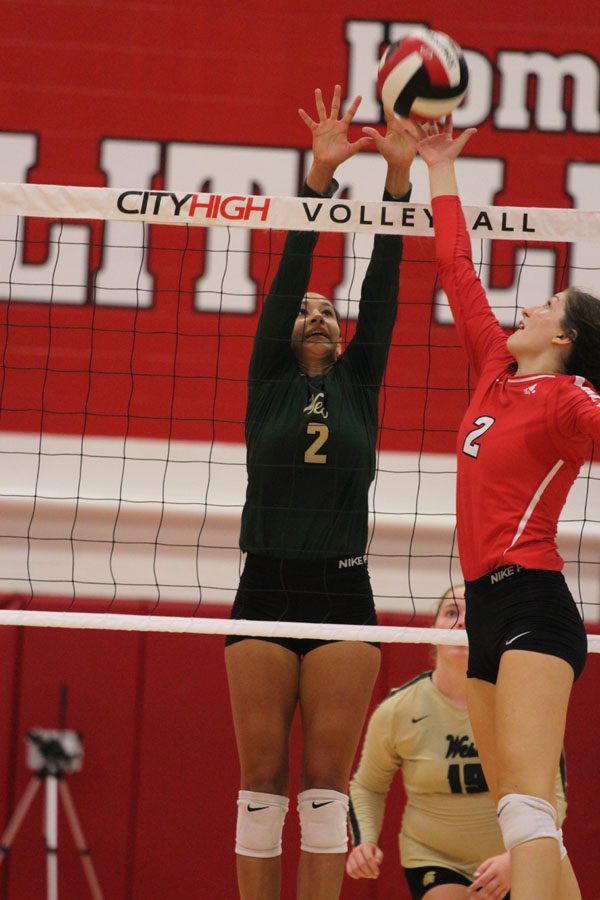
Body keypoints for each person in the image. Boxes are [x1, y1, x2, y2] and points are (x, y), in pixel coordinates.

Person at [224, 85, 416, 900]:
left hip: (341, 589)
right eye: (303, 311)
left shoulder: (360, 384)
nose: (315, 315)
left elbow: (383, 283)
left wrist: (398, 181)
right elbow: (290, 273)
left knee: (325, 789)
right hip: (263, 581)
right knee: (262, 786)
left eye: (326, 313)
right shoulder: (266, 380)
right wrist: (319, 179)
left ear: (341, 336)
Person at [400, 115, 600, 900]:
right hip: (483, 604)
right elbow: (456, 269)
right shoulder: (493, 369)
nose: (530, 307)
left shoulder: (568, 398)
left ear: (569, 336)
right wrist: (438, 167)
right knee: (520, 809)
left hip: (534, 604)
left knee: (526, 807)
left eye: (548, 304)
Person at [346, 585, 567, 900]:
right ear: (433, 630)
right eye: (451, 612)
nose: (462, 623)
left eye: (473, 614)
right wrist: (364, 840)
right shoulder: (400, 709)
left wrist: (517, 857)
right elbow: (368, 785)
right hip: (434, 858)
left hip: (516, 853)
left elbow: (554, 797)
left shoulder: (522, 707)